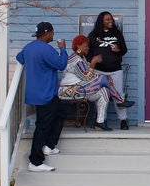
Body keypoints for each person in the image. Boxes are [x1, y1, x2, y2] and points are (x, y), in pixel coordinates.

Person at [16, 22, 68, 172]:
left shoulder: (28, 48)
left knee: (61, 114)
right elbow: (61, 64)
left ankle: (49, 146)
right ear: (48, 33)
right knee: (42, 127)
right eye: (52, 33)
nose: (53, 35)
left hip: (34, 93)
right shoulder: (47, 49)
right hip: (46, 93)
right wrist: (62, 48)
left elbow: (19, 58)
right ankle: (35, 161)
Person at [59, 35, 126, 131]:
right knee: (103, 78)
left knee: (104, 91)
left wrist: (103, 76)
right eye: (85, 46)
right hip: (69, 90)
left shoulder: (82, 58)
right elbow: (86, 77)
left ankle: (100, 123)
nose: (88, 48)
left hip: (80, 89)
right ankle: (120, 100)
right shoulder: (76, 60)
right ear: (78, 47)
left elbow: (90, 74)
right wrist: (93, 63)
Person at [88, 12, 131, 130]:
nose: (110, 21)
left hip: (115, 70)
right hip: (99, 71)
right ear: (101, 21)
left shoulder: (117, 34)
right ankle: (102, 120)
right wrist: (93, 61)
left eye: (111, 19)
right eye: (107, 19)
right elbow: (88, 52)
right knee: (101, 96)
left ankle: (123, 120)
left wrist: (118, 50)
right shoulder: (93, 35)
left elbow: (124, 50)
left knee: (119, 94)